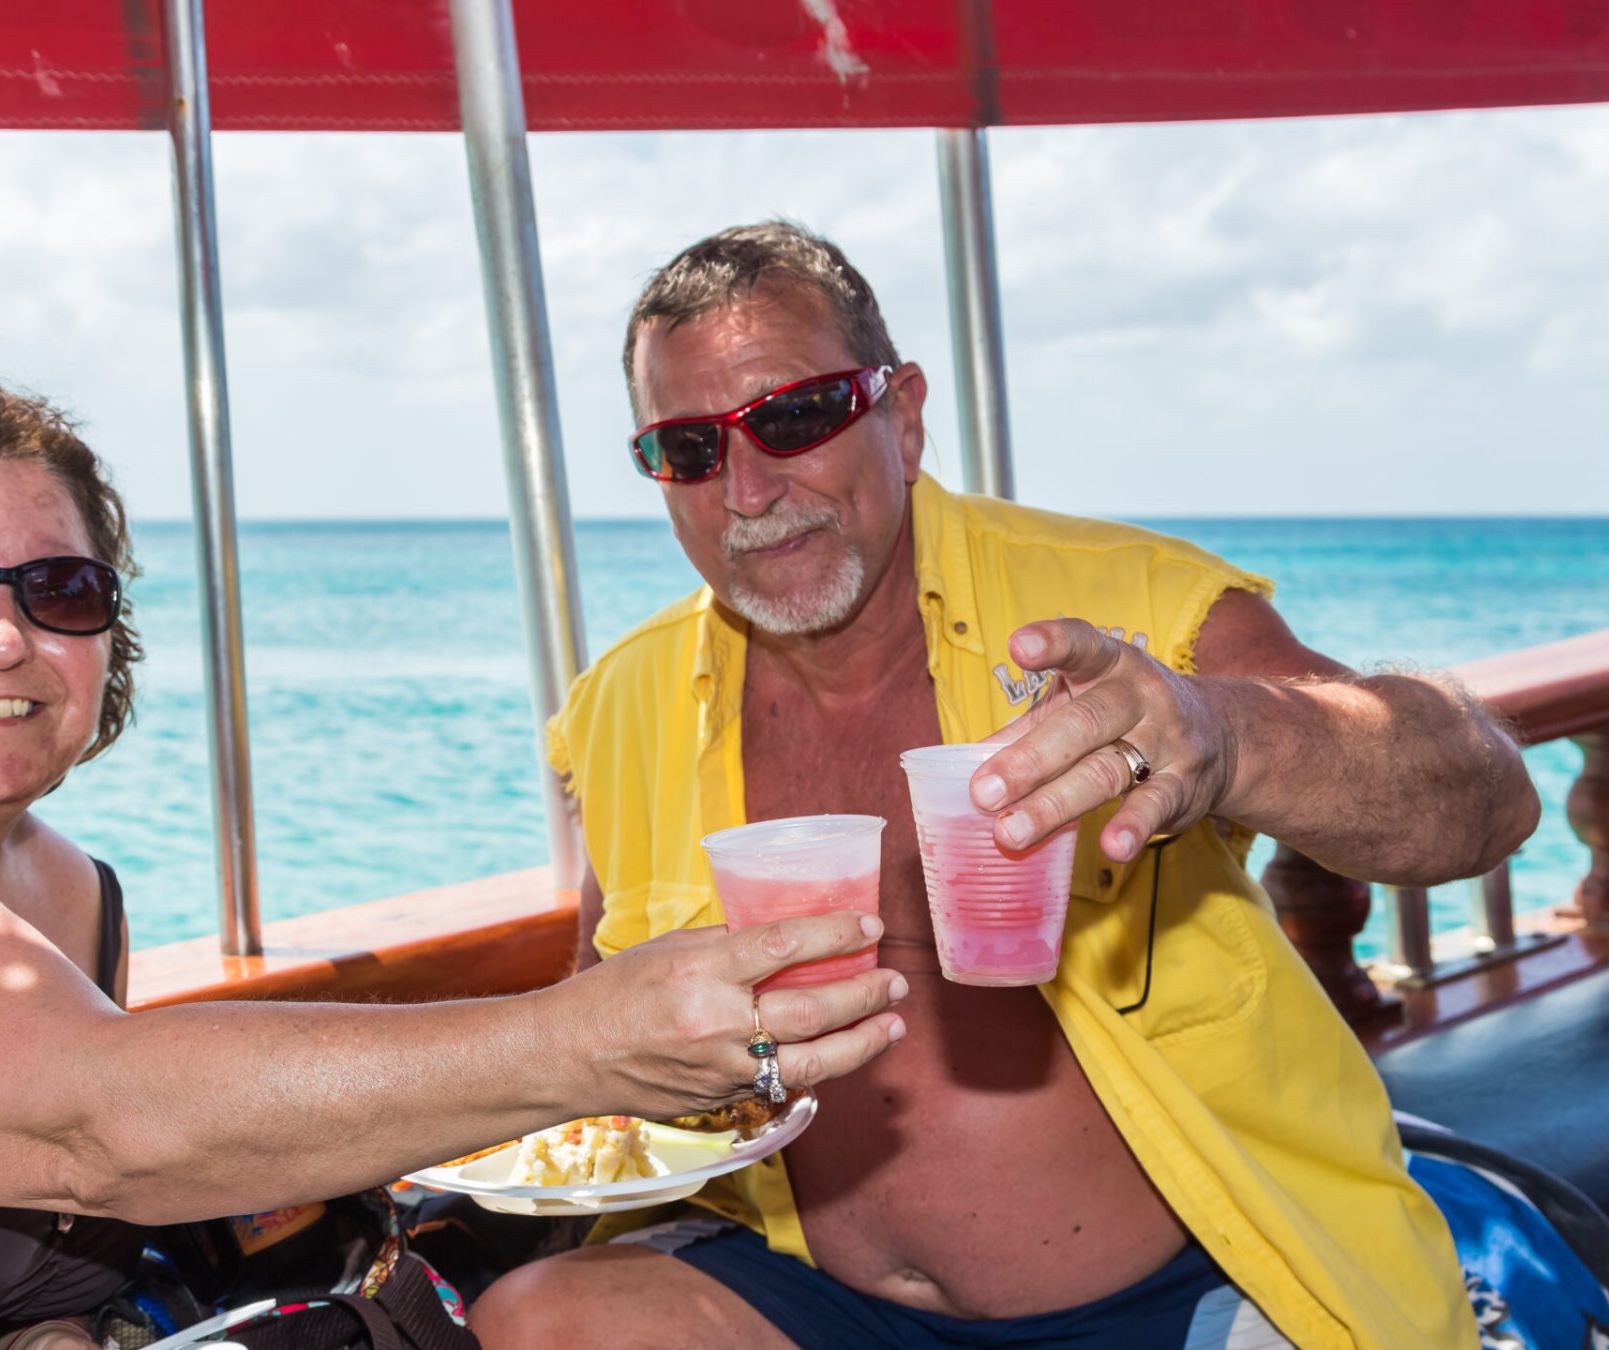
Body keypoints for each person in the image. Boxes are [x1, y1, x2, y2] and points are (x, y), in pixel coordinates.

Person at [0, 382, 909, 1349]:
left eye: (58, 590)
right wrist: (593, 1039)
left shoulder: (64, 895)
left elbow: (23, 1253)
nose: (0, 637)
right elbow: (87, 1126)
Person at [468, 223, 1545, 1349]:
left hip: (1187, 1286)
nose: (746, 488)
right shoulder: (620, 706)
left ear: (907, 415)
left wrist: (1225, 734)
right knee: (536, 1321)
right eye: (689, 448)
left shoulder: (1127, 611)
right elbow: (604, 1019)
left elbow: (1482, 805)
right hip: (807, 1288)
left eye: (792, 417)